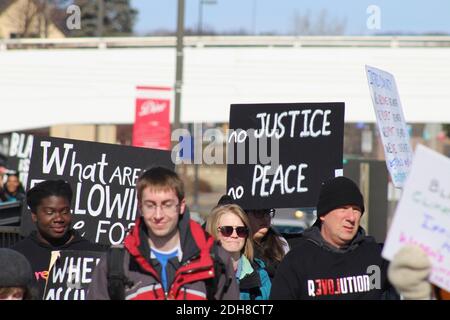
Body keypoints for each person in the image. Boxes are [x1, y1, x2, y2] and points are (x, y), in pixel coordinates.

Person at [87, 166, 239, 300]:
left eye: (167, 205)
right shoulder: (116, 263)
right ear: (140, 207)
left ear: (181, 206)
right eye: (150, 205)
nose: (158, 215)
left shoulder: (215, 261)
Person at [270, 176, 398, 300]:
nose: (351, 217)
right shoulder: (297, 262)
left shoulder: (376, 255)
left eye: (356, 209)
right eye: (343, 209)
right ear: (323, 215)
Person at [12, 179, 105, 299]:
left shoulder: (95, 255)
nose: (59, 218)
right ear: (34, 216)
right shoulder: (18, 256)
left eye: (64, 212)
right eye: (50, 212)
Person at [206, 204, 271, 300]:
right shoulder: (199, 271)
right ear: (213, 232)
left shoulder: (261, 276)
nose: (234, 235)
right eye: (227, 230)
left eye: (241, 230)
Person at [245, 208, 289, 280]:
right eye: (258, 212)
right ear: (245, 215)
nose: (266, 218)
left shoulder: (280, 243)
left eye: (268, 212)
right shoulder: (237, 246)